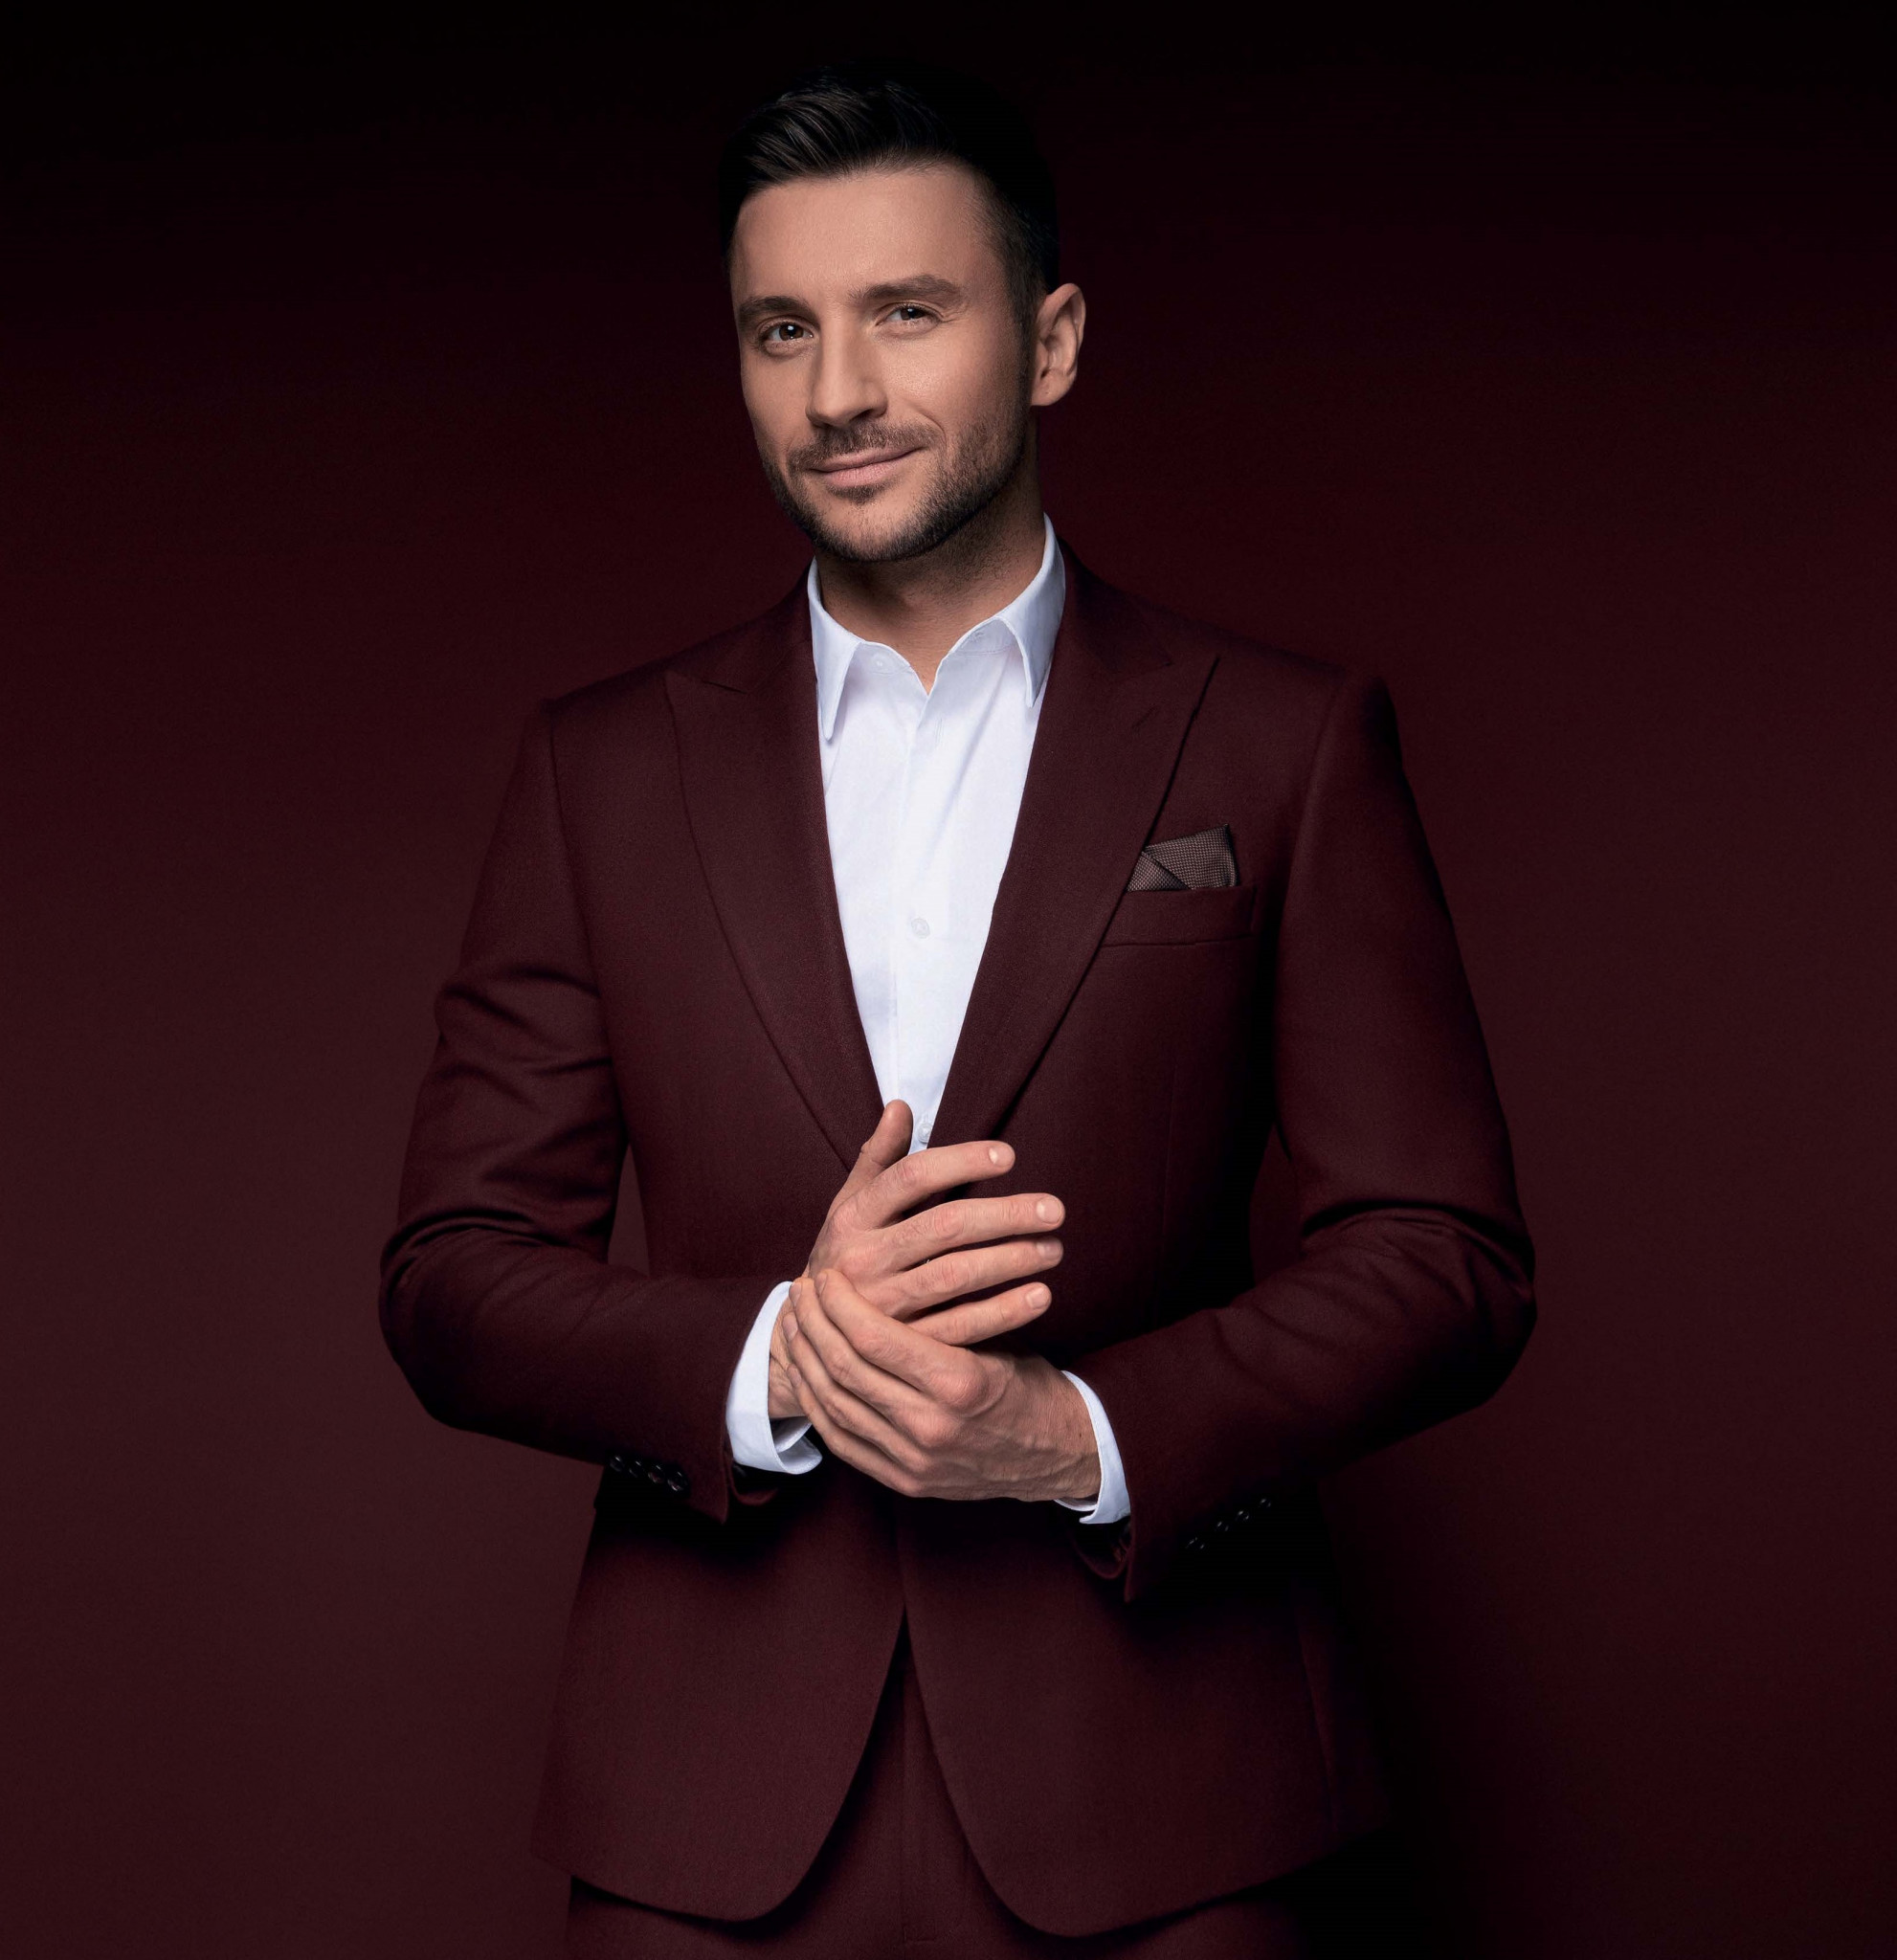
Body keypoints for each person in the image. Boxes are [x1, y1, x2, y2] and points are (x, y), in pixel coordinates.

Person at [381, 61, 1535, 1958]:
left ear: (1052, 339)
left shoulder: (1282, 741)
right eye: (781, 329)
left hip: (1170, 1795)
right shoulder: (600, 771)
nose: (836, 389)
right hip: (703, 1820)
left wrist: (1082, 1433)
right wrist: (779, 1356)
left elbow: (1445, 1256)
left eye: (905, 312)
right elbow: (449, 1275)